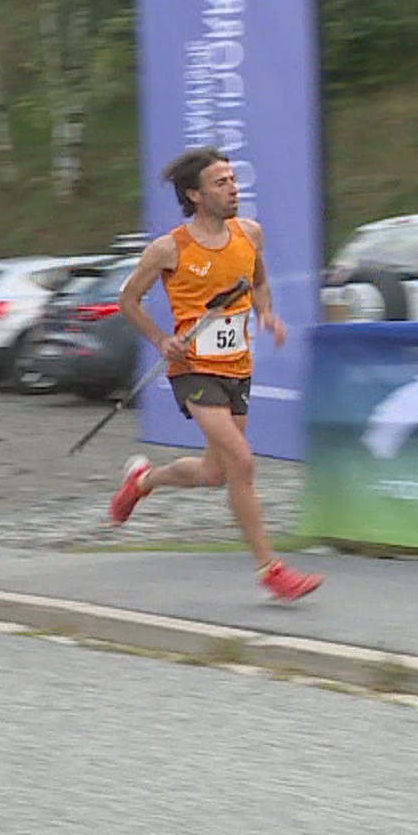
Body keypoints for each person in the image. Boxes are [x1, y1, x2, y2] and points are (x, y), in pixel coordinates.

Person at [109, 146, 323, 600]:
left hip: (237, 367)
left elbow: (258, 281)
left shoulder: (250, 234)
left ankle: (143, 481)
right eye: (221, 182)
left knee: (215, 472)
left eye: (233, 179)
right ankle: (271, 569)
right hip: (193, 368)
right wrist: (161, 340)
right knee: (243, 461)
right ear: (195, 194)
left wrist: (266, 314)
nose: (233, 189)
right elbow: (128, 301)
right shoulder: (169, 248)